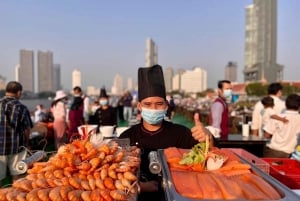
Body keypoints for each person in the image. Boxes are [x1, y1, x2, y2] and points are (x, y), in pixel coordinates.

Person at [119, 65, 212, 201]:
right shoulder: (127, 136)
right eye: (148, 104)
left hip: (179, 194)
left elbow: (210, 154)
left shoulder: (181, 133)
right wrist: (140, 186)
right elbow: (116, 175)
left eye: (159, 104)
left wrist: (207, 136)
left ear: (166, 106)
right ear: (139, 106)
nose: (154, 108)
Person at [0, 81, 33, 187]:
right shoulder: (21, 107)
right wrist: (27, 144)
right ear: (19, 93)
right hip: (17, 147)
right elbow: (27, 129)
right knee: (18, 178)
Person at [263, 94, 300, 158]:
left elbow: (267, 135)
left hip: (274, 151)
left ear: (285, 105)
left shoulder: (277, 117)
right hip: (292, 153)